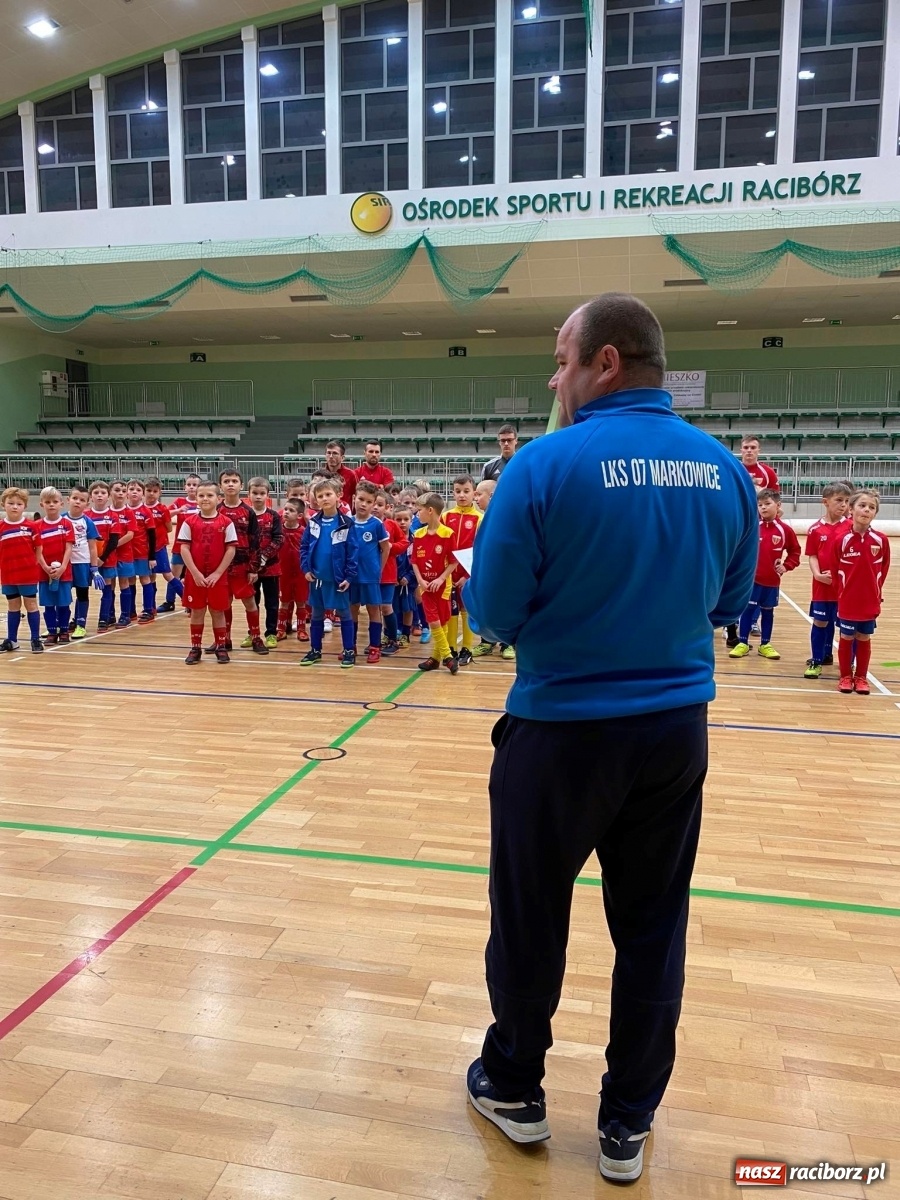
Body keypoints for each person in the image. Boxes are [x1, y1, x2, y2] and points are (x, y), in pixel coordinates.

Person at [462, 293, 757, 1182]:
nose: (553, 377)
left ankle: (513, 1085)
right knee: (653, 925)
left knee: (529, 917)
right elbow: (726, 605)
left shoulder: (545, 465)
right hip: (674, 734)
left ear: (607, 363)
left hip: (559, 734)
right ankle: (629, 1120)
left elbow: (493, 613)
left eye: (561, 359)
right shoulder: (724, 470)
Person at [829, 489, 890, 696]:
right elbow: (835, 570)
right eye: (862, 505)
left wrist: (876, 594)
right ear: (851, 510)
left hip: (869, 601)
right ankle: (846, 676)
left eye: (871, 507)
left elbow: (883, 571)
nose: (866, 510)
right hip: (847, 600)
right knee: (846, 636)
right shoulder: (841, 540)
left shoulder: (881, 541)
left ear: (875, 513)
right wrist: (842, 594)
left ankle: (861, 677)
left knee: (863, 637)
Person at [728, 490, 801, 662]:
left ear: (778, 505)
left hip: (772, 582)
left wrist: (786, 566)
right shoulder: (752, 527)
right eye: (760, 505)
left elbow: (795, 551)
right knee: (748, 610)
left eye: (767, 504)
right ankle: (743, 642)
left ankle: (765, 644)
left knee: (768, 612)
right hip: (750, 581)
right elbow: (738, 548)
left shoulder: (785, 531)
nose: (763, 508)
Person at [177, 481, 238, 665]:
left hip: (217, 578)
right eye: (201, 495)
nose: (205, 499)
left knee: (218, 611)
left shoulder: (226, 522)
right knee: (197, 611)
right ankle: (195, 648)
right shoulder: (189, 522)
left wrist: (218, 573)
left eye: (210, 495)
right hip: (195, 577)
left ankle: (221, 646)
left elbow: (231, 550)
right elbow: (184, 549)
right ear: (196, 498)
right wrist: (194, 573)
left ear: (219, 499)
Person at [300, 478, 358, 668]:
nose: (324, 499)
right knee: (316, 614)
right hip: (317, 579)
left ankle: (349, 650)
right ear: (315, 499)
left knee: (343, 612)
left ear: (338, 496)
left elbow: (353, 552)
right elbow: (304, 547)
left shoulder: (346, 523)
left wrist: (349, 576)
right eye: (320, 496)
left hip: (337, 579)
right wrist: (306, 569)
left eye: (328, 494)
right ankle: (315, 650)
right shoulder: (313, 523)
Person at [803, 481, 851, 679]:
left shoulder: (851, 527)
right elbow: (812, 555)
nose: (844, 505)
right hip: (822, 587)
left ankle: (849, 665)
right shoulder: (815, 529)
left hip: (845, 589)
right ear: (825, 502)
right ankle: (816, 660)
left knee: (848, 626)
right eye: (839, 500)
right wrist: (817, 574)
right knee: (820, 621)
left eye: (847, 501)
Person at [215, 469, 267, 655]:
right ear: (220, 486)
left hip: (243, 566)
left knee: (250, 603)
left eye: (234, 481)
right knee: (223, 603)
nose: (230, 484)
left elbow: (255, 541)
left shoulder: (248, 512)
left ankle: (256, 638)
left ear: (241, 486)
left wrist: (254, 568)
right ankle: (224, 639)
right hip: (221, 567)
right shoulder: (216, 510)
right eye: (226, 481)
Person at [411, 493, 458, 675]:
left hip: (442, 586)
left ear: (430, 511)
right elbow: (414, 561)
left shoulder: (448, 534)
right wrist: (421, 581)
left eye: (419, 510)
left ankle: (435, 659)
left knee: (443, 622)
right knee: (433, 621)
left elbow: (453, 562)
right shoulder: (419, 534)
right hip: (426, 587)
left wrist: (440, 579)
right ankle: (447, 657)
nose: (417, 514)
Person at [442, 474, 483, 665]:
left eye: (466, 491)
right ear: (453, 493)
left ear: (474, 493)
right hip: (450, 572)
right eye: (458, 491)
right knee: (451, 610)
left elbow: (480, 548)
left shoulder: (480, 518)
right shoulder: (445, 516)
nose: (462, 495)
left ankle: (467, 648)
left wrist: (468, 575)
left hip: (468, 572)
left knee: (466, 609)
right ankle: (450, 648)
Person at [349, 481, 390, 663]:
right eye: (361, 499)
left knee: (374, 609)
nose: (363, 504)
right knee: (352, 610)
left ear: (374, 504)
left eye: (368, 501)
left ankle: (375, 647)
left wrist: (378, 570)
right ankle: (350, 646)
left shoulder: (376, 524)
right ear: (354, 499)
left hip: (370, 576)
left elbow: (385, 548)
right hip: (351, 577)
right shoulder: (347, 522)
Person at [0, 487, 43, 653]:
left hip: (28, 574)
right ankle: (12, 640)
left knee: (31, 605)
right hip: (8, 574)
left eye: (19, 504)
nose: (15, 506)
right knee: (13, 606)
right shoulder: (1, 527)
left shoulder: (31, 527)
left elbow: (38, 550)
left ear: (24, 506)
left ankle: (35, 639)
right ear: (4, 505)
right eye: (11, 503)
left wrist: (39, 566)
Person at [34, 487, 75, 645]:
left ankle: (64, 631)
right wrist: (45, 567)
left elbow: (69, 548)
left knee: (63, 602)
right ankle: (52, 632)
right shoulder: (37, 526)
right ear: (41, 504)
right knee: (49, 604)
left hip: (63, 572)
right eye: (47, 502)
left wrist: (63, 567)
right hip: (44, 572)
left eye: (55, 502)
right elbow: (37, 550)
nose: (51, 505)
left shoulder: (66, 524)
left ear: (62, 504)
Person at [248, 477, 284, 649]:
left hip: (271, 568)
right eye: (255, 493)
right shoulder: (245, 515)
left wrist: (263, 557)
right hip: (250, 570)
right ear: (248, 494)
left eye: (262, 493)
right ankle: (252, 633)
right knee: (252, 602)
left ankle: (271, 633)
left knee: (271, 603)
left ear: (267, 496)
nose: (258, 497)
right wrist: (252, 561)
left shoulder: (274, 516)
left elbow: (278, 539)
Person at [65, 485, 103, 639]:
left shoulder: (88, 522)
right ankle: (61, 623)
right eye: (74, 498)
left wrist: (94, 568)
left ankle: (81, 624)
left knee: (82, 594)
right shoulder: (61, 519)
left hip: (82, 563)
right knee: (64, 595)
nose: (77, 502)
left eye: (82, 500)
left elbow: (93, 548)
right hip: (64, 564)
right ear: (68, 500)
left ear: (87, 504)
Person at [374, 488, 408, 655]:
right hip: (368, 575)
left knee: (386, 607)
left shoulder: (391, 525)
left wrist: (389, 548)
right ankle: (378, 639)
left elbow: (404, 543)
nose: (375, 507)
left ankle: (393, 639)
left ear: (387, 507)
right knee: (375, 608)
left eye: (379, 505)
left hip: (387, 574)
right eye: (373, 503)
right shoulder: (361, 524)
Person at [159, 473, 199, 611]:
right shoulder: (179, 502)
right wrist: (178, 510)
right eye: (189, 485)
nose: (192, 487)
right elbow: (165, 515)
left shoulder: (203, 502)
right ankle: (169, 602)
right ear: (185, 487)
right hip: (180, 545)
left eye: (195, 485)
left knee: (195, 575)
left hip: (198, 547)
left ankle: (193, 600)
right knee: (173, 575)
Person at [86, 481, 121, 631]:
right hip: (86, 560)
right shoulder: (86, 515)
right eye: (96, 493)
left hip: (106, 559)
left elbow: (114, 541)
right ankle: (78, 619)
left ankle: (104, 617)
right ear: (90, 497)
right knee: (82, 588)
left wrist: (101, 559)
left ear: (108, 496)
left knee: (108, 587)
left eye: (103, 493)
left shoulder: (113, 516)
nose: (99, 495)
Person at [125, 479, 158, 624]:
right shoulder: (123, 511)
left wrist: (152, 556)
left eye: (138, 490)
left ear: (143, 494)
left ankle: (148, 610)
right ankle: (131, 611)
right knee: (130, 580)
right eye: (131, 489)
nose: (134, 492)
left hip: (142, 553)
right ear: (126, 493)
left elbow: (152, 536)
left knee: (145, 579)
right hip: (127, 554)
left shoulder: (146, 512)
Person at [277, 499, 309, 642]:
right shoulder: (278, 530)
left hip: (300, 574)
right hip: (283, 573)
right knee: (284, 601)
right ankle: (281, 629)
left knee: (301, 602)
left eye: (291, 510)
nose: (286, 512)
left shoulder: (304, 532)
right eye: (285, 509)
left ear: (300, 516)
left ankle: (301, 629)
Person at [144, 477, 175, 617]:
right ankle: (151, 608)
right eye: (149, 490)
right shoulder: (140, 508)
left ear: (159, 493)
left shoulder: (162, 509)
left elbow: (169, 528)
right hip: (144, 549)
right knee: (150, 577)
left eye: (155, 491)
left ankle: (188, 601)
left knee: (167, 574)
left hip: (159, 546)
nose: (151, 493)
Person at [109, 480, 137, 627]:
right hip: (109, 556)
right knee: (110, 584)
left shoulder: (129, 512)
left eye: (123, 490)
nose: (120, 493)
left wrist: (113, 545)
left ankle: (125, 615)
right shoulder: (107, 512)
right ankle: (110, 614)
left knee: (124, 582)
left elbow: (131, 534)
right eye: (117, 490)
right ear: (110, 493)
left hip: (125, 555)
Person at [391, 506, 416, 643]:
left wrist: (409, 576)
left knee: (408, 608)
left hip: (409, 581)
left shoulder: (416, 540)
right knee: (388, 607)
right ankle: (389, 633)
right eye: (398, 519)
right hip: (392, 580)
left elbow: (417, 562)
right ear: (393, 521)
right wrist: (392, 576)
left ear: (411, 521)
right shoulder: (390, 540)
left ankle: (405, 635)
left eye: (406, 519)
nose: (402, 522)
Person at [324, 440, 358, 509]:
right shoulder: (320, 475)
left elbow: (357, 495)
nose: (331, 456)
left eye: (335, 453)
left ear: (342, 458)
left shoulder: (351, 475)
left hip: (345, 514)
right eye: (328, 453)